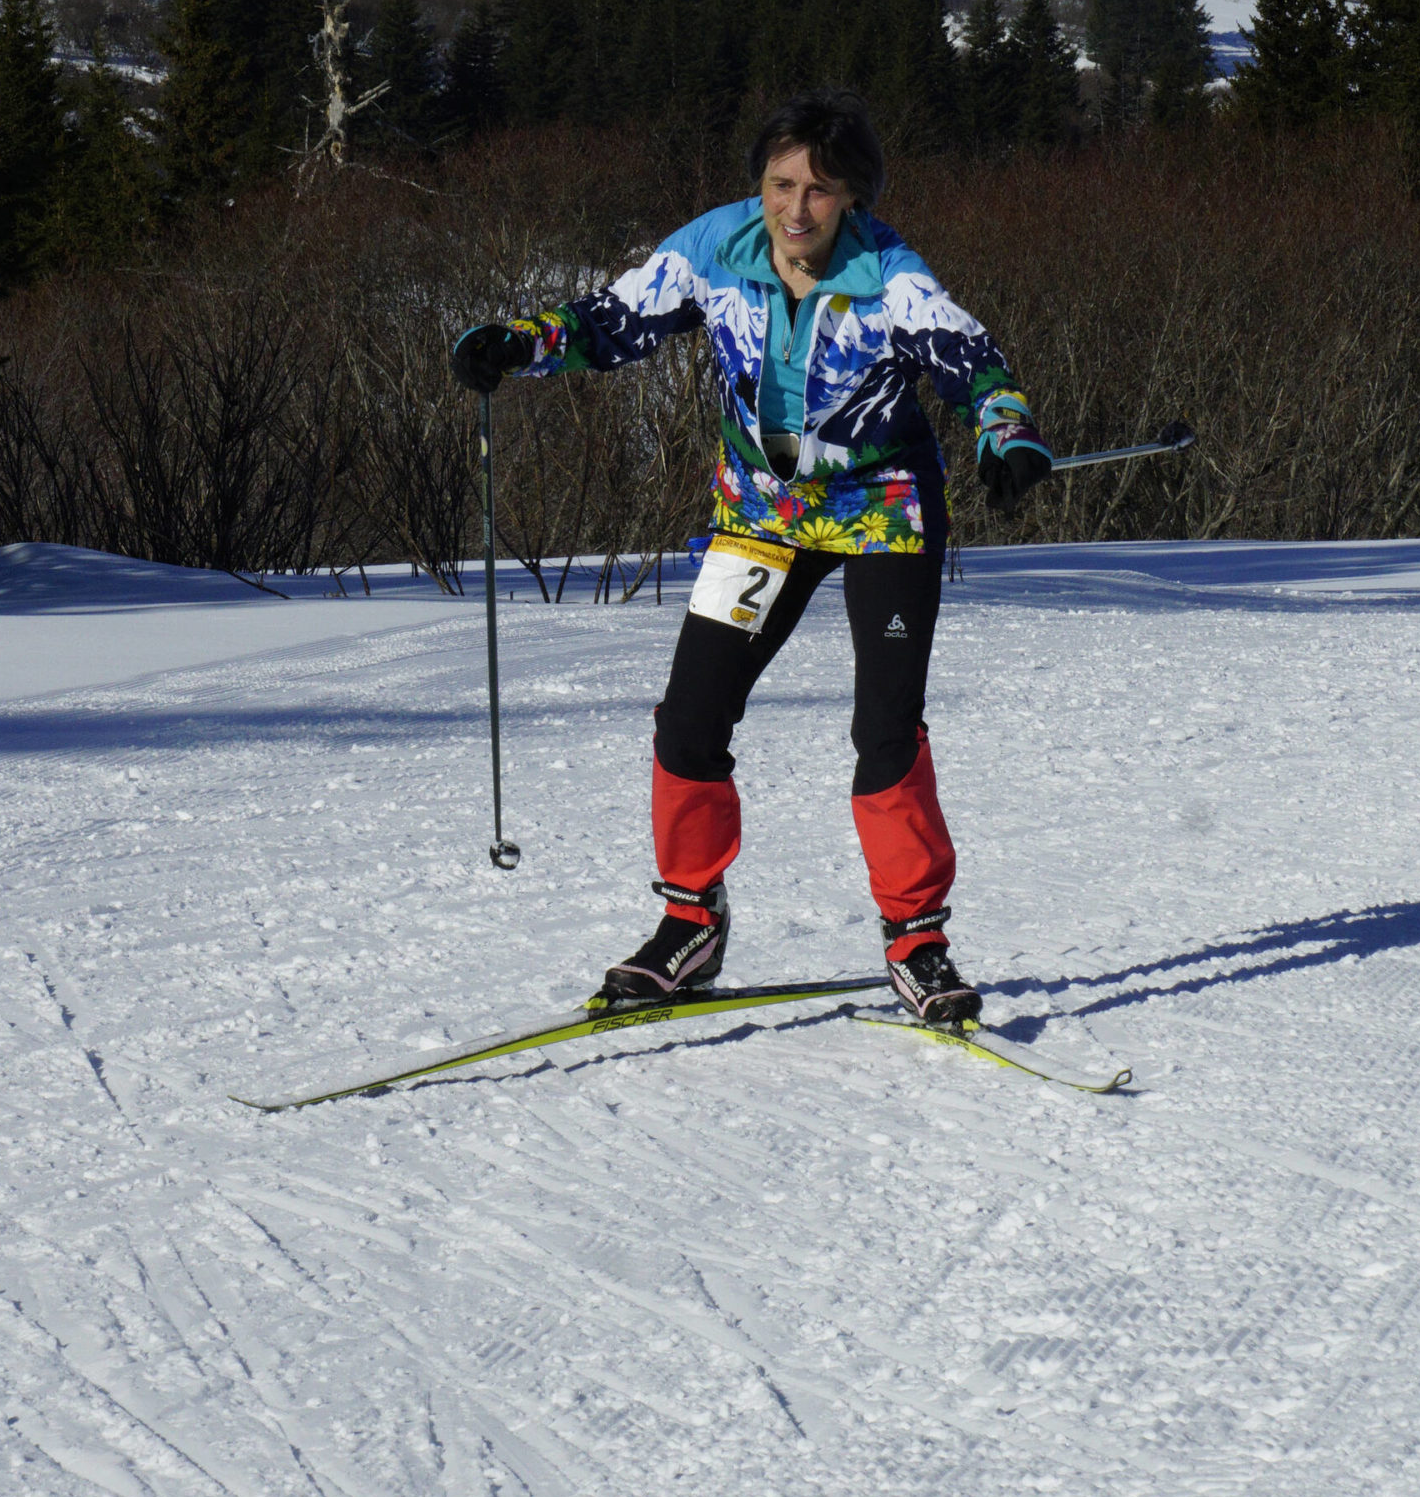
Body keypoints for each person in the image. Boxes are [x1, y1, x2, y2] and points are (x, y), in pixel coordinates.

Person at [451, 88, 1053, 1026]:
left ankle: (916, 943)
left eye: (820, 189)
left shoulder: (889, 275)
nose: (796, 208)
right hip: (760, 517)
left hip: (881, 515)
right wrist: (519, 345)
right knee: (691, 718)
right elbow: (611, 322)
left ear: (852, 196)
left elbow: (970, 359)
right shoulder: (712, 252)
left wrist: (1004, 429)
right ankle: (689, 923)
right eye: (781, 184)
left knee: (884, 729)